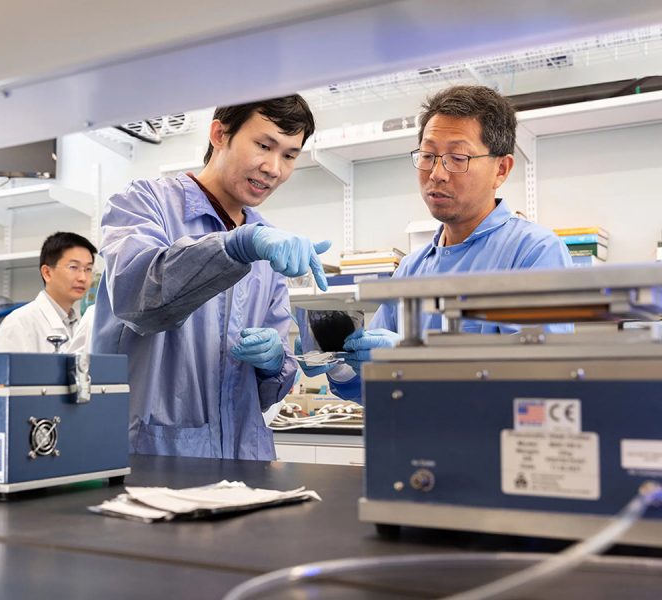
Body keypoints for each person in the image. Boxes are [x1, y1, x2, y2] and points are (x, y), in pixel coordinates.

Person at [91, 95, 329, 460]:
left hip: (246, 459)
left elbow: (271, 390)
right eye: (264, 145)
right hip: (155, 456)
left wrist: (272, 366)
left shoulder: (267, 244)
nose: (273, 168)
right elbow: (137, 297)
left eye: (289, 155)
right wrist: (233, 248)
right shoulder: (144, 202)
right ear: (219, 134)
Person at [299, 84, 573, 400]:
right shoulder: (411, 270)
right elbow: (375, 390)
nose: (437, 173)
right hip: (413, 443)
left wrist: (415, 359)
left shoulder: (534, 253)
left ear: (501, 169)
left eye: (457, 158)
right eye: (428, 156)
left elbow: (541, 377)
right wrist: (339, 365)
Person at [0, 231, 96, 353]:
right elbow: (1, 371)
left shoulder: (78, 324)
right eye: (73, 267)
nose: (83, 277)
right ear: (47, 273)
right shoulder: (18, 323)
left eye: (88, 269)